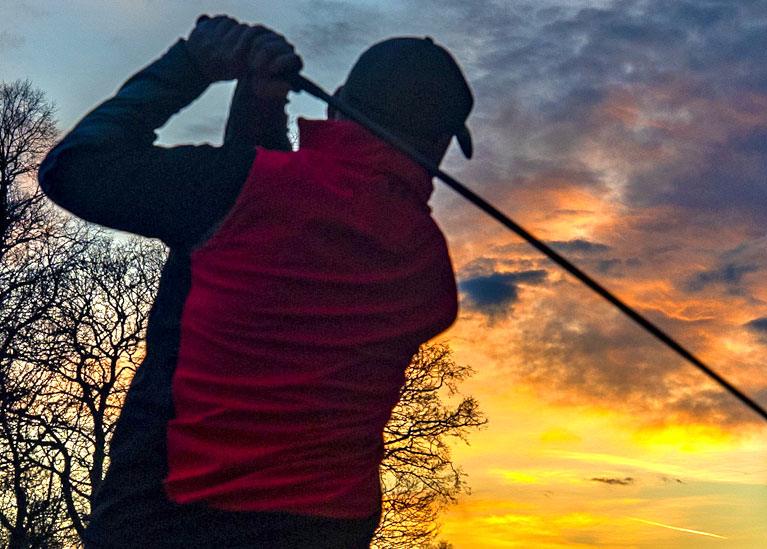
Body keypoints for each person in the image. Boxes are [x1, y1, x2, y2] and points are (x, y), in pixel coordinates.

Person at [39, 14, 473, 548]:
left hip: (166, 522)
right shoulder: (429, 275)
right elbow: (276, 223)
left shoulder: (239, 191)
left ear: (337, 107)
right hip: (327, 532)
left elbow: (75, 168)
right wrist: (258, 113)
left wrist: (190, 65)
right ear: (441, 146)